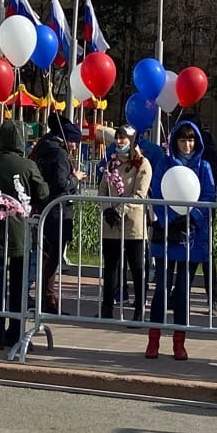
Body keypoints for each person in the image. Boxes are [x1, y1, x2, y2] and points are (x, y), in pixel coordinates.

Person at [144, 118, 214, 361]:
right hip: (167, 235)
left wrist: (191, 215)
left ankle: (179, 343)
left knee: (183, 291)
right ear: (175, 141)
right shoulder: (164, 164)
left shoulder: (203, 167)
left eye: (191, 139)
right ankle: (153, 340)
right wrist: (170, 217)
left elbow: (208, 196)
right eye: (183, 139)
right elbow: (158, 192)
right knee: (161, 289)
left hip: (191, 237)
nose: (187, 144)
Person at [0, 120, 48, 350]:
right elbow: (43, 192)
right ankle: (16, 333)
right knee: (18, 286)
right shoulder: (27, 166)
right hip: (21, 231)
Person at [98, 127, 149, 321]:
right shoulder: (111, 163)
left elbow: (140, 194)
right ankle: (107, 308)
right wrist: (107, 209)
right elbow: (102, 189)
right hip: (111, 224)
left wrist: (120, 210)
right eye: (118, 138)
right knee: (111, 267)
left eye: (124, 138)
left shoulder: (142, 163)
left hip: (132, 224)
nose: (119, 141)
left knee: (136, 268)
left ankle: (139, 309)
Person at [31, 120, 80, 313]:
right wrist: (76, 178)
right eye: (75, 142)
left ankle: (46, 298)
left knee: (46, 256)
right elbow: (61, 183)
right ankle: (48, 299)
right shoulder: (59, 154)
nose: (76, 146)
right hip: (57, 210)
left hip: (46, 208)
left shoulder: (43, 149)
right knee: (53, 257)